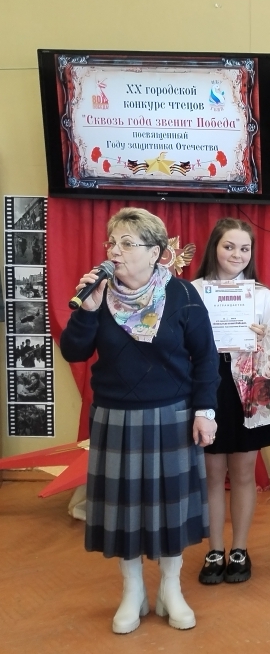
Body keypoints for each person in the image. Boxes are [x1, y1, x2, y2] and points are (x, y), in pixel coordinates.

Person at [60, 207, 220, 634]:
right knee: (124, 510)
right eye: (112, 242)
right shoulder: (98, 294)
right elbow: (73, 352)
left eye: (127, 243)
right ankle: (133, 591)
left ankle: (170, 588)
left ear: (155, 253)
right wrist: (87, 311)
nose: (115, 251)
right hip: (115, 415)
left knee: (171, 507)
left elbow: (206, 359)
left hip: (172, 414)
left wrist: (205, 411)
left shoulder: (182, 295)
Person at [192, 218, 270, 585]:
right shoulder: (194, 291)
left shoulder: (261, 295)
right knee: (213, 474)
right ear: (214, 248)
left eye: (244, 248)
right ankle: (215, 550)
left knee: (244, 473)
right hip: (208, 386)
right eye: (229, 246)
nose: (237, 254)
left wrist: (266, 338)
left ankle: (240, 549)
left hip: (249, 388)